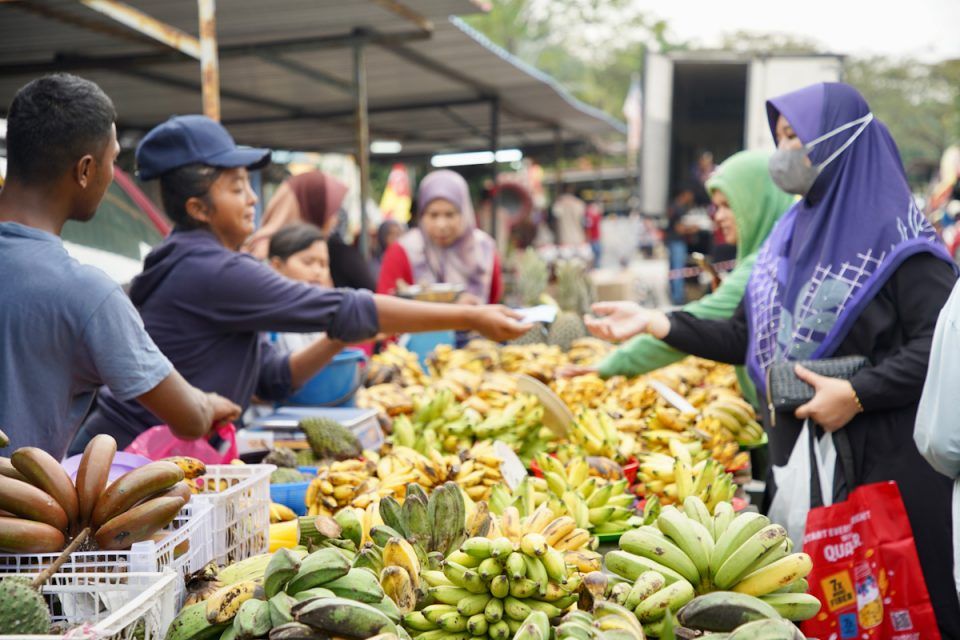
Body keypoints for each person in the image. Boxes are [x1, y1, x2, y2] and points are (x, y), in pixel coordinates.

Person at [584, 83, 960, 633]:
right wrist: (656, 322)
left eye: (794, 137)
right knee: (822, 607)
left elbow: (939, 347)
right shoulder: (790, 235)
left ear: (840, 141)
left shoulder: (902, 242)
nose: (783, 152)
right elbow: (747, 334)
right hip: (802, 456)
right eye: (779, 137)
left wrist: (858, 394)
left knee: (897, 606)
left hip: (884, 464)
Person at [75, 116, 530, 451]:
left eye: (248, 185)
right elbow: (349, 308)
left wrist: (339, 334)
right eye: (236, 188)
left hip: (157, 456)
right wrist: (470, 316)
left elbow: (273, 378)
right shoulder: (211, 270)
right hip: (128, 460)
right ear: (198, 208)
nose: (253, 198)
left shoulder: (198, 260)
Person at [0, 75, 240, 459]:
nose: (111, 175)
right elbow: (190, 418)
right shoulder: (85, 294)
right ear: (85, 170)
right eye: (112, 160)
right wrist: (208, 404)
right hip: (21, 498)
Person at [561, 151, 795, 409]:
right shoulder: (780, 257)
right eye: (717, 206)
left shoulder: (761, 267)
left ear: (758, 204)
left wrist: (614, 362)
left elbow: (696, 323)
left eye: (728, 206)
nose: (718, 217)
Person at [377, 170, 503, 305]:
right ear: (422, 215)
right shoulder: (403, 250)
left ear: (465, 213)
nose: (441, 225)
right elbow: (385, 306)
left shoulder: (484, 248)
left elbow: (494, 298)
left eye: (450, 214)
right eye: (433, 215)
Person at [247, 171, 377, 291]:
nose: (336, 220)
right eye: (331, 212)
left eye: (323, 264)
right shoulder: (261, 257)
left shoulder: (321, 249)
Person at [664, 186, 695, 305]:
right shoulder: (678, 208)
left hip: (671, 241)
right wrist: (692, 229)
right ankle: (678, 299)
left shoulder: (673, 206)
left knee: (674, 270)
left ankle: (674, 295)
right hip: (677, 242)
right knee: (678, 271)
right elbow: (679, 229)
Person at [585, 200, 603, 268]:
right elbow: (589, 226)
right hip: (592, 237)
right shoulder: (589, 215)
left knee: (597, 253)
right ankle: (594, 267)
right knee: (594, 253)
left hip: (595, 237)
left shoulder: (595, 215)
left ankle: (596, 266)